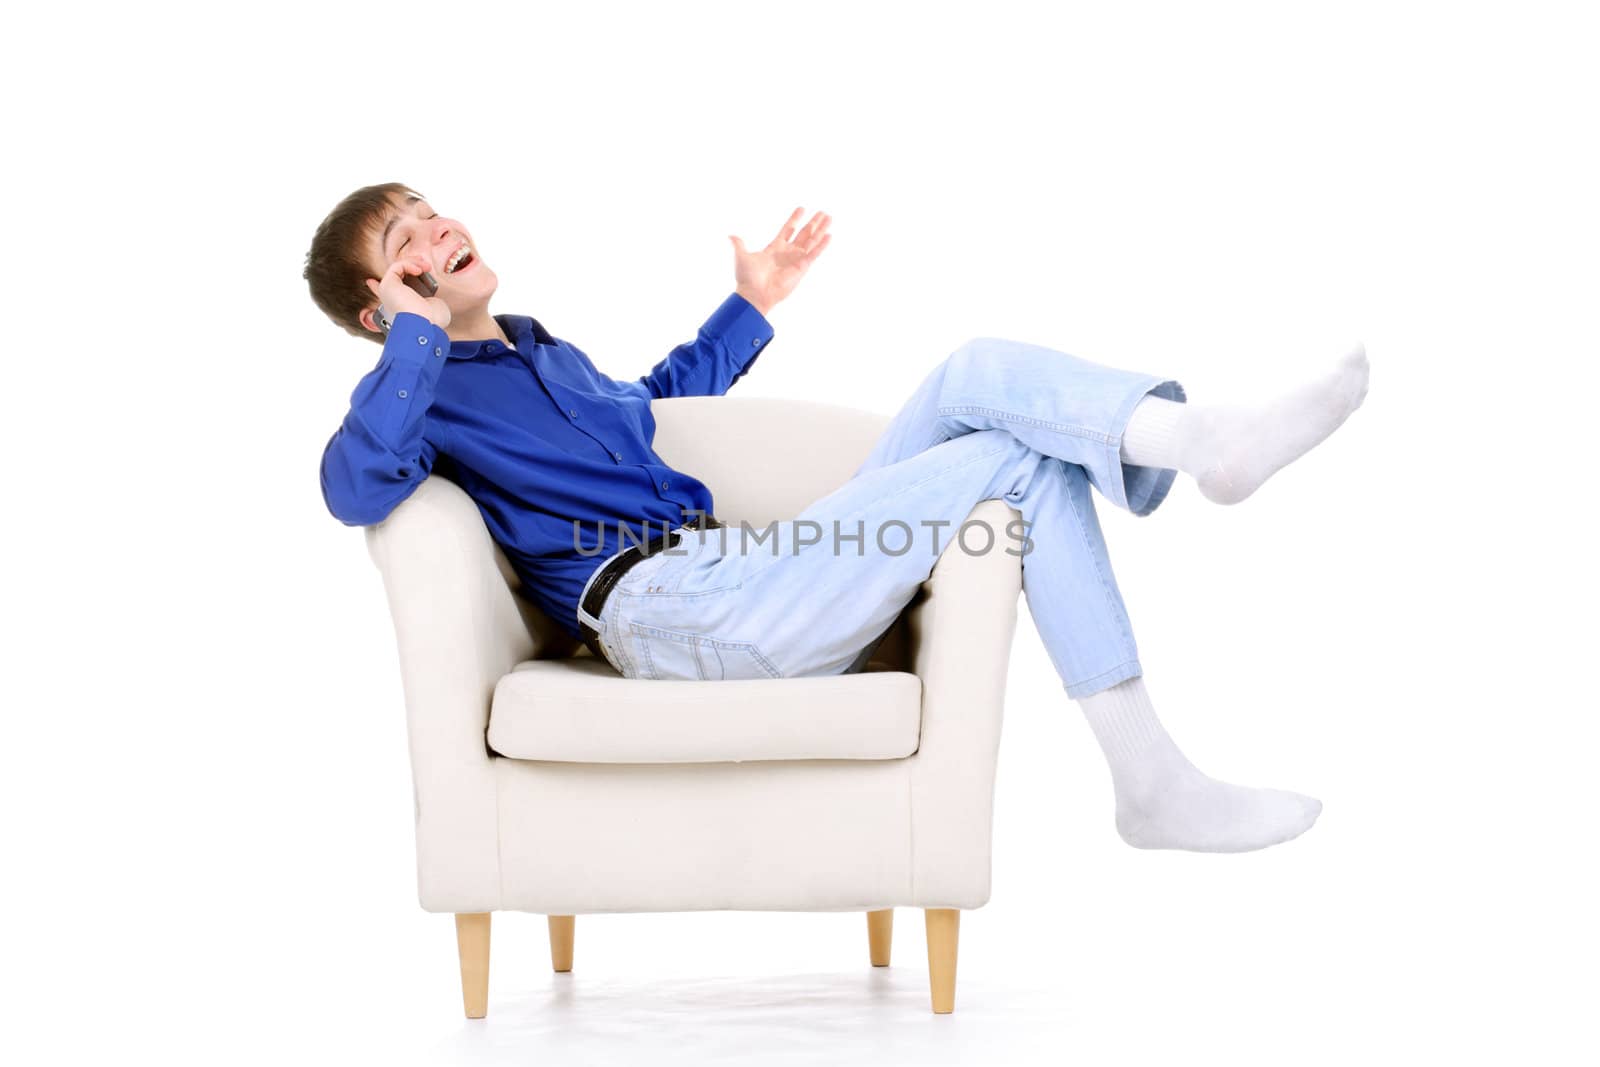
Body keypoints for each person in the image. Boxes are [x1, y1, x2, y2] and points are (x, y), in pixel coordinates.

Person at [304, 182, 1369, 855]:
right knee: (1006, 458)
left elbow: (655, 404)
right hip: (676, 615)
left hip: (746, 575)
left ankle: (1155, 753)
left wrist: (755, 301)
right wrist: (412, 339)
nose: (437, 226)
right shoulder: (418, 391)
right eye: (405, 238)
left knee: (974, 380)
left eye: (432, 208)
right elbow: (356, 484)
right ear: (378, 303)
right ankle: (1156, 753)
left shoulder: (541, 348)